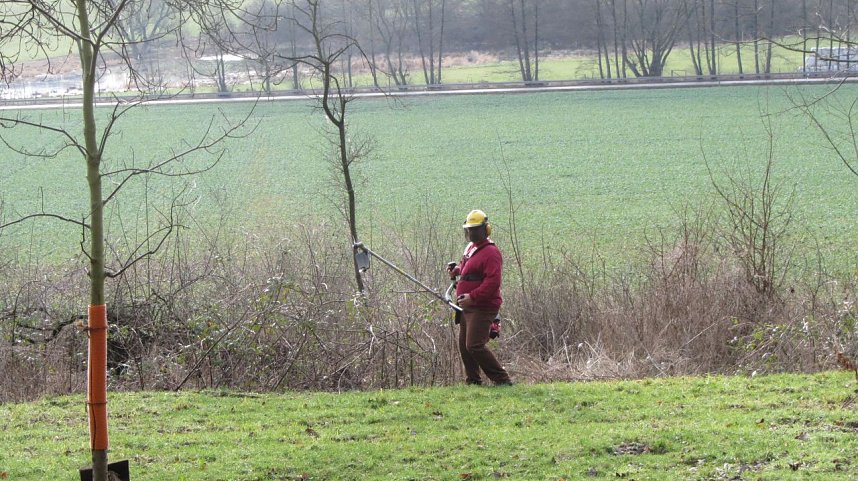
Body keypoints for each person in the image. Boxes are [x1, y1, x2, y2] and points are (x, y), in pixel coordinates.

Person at [447, 209, 513, 386]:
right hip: (467, 306)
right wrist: (457, 271)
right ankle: (473, 382)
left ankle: (502, 380)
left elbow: (492, 283)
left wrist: (472, 297)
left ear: (486, 229)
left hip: (483, 306)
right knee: (464, 347)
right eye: (469, 229)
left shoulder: (492, 253)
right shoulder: (470, 248)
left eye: (475, 229)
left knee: (474, 345)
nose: (472, 233)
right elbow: (469, 269)